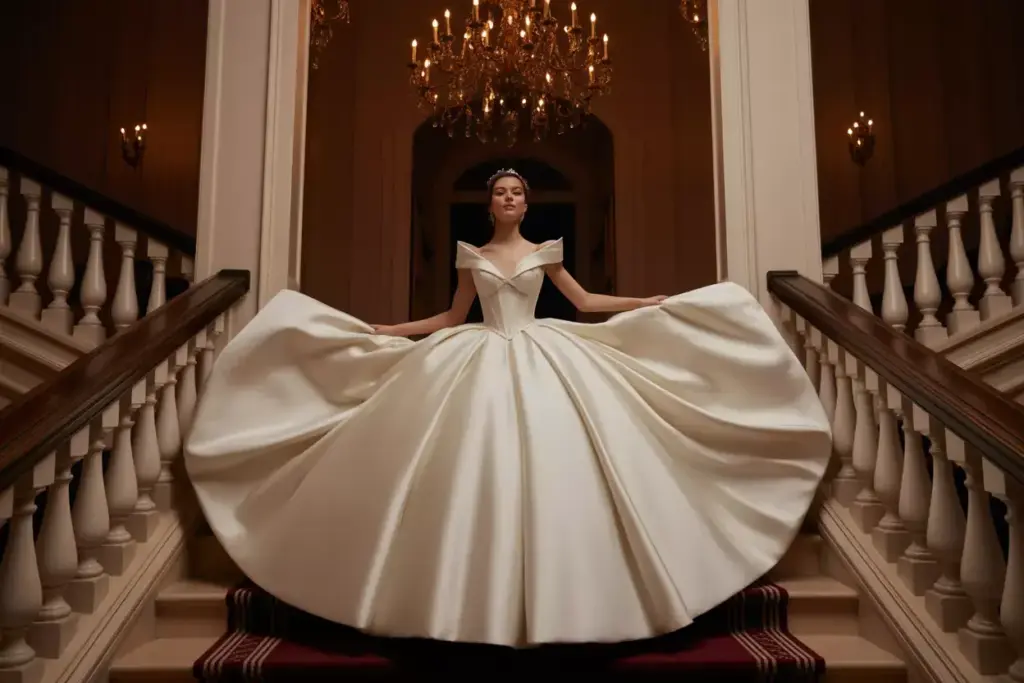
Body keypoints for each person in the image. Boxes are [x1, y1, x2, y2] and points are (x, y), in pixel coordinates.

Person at [184, 169, 832, 649]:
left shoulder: (545, 252)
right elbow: (449, 316)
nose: (510, 199)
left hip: (545, 351)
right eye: (500, 192)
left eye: (518, 192)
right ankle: (459, 601)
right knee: (464, 462)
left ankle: (573, 599)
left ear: (528, 203)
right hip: (479, 351)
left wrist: (643, 303)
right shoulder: (472, 257)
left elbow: (581, 303)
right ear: (488, 203)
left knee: (567, 458)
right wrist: (389, 331)